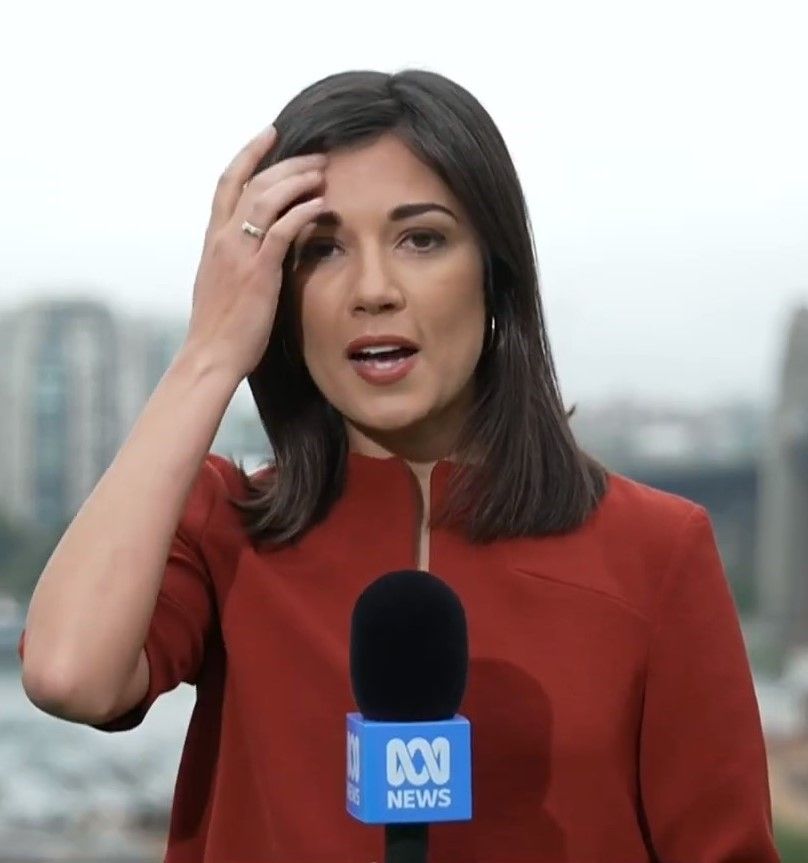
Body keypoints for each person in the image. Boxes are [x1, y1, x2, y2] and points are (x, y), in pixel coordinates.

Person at [17, 69, 779, 862]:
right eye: (322, 249)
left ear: (495, 273)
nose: (373, 290)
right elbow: (69, 673)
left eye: (422, 239)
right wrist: (209, 351)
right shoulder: (225, 532)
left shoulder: (655, 551)